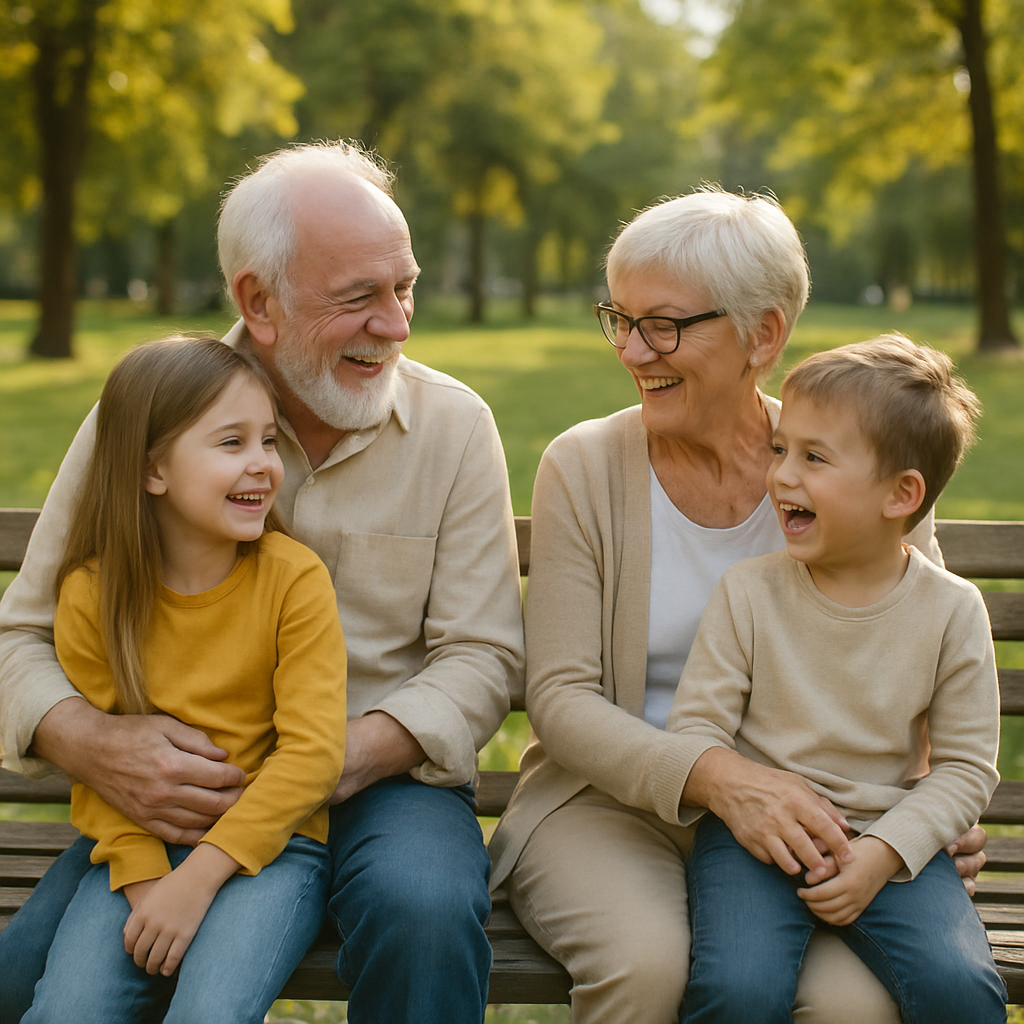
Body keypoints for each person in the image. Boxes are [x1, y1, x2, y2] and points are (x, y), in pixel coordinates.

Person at [0, 142, 525, 1024]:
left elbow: (480, 656)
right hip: (178, 783)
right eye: (359, 297)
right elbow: (26, 631)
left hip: (381, 773)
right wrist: (95, 742)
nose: (396, 325)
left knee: (423, 912)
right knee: (25, 984)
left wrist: (323, 761)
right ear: (259, 301)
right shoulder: (150, 416)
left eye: (405, 287)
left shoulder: (454, 427)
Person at [488, 188, 988, 1024]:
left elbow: (917, 652)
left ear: (765, 333)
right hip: (609, 804)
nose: (635, 350)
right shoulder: (585, 465)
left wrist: (920, 820)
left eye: (668, 325)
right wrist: (722, 781)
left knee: (853, 1007)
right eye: (622, 319)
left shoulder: (865, 463)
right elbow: (563, 701)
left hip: (818, 821)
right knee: (647, 968)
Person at [670, 335, 1005, 1023]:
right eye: (781, 449)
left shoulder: (951, 611)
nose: (783, 476)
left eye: (814, 458)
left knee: (962, 990)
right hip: (755, 843)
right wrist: (746, 798)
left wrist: (884, 853)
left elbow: (967, 769)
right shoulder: (749, 594)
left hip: (891, 841)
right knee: (736, 992)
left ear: (901, 494)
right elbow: (697, 727)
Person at [20, 337, 348, 1023]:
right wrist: (147, 885)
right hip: (135, 845)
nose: (262, 464)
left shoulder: (294, 581)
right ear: (152, 471)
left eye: (267, 440)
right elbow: (100, 771)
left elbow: (313, 757)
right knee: (68, 1010)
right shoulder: (92, 594)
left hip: (274, 850)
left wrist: (197, 879)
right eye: (231, 443)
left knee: (209, 1012)